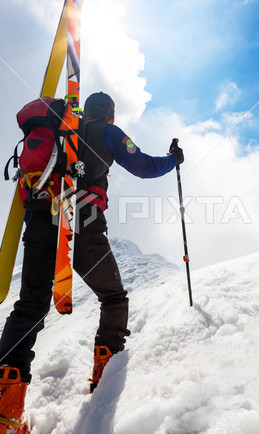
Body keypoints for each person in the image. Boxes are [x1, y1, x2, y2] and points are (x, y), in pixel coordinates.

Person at [0, 92, 184, 425]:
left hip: (42, 217)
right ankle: (104, 377)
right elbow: (144, 166)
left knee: (29, 306)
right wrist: (174, 159)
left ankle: (5, 410)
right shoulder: (108, 132)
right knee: (113, 298)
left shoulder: (60, 129)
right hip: (83, 220)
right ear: (110, 115)